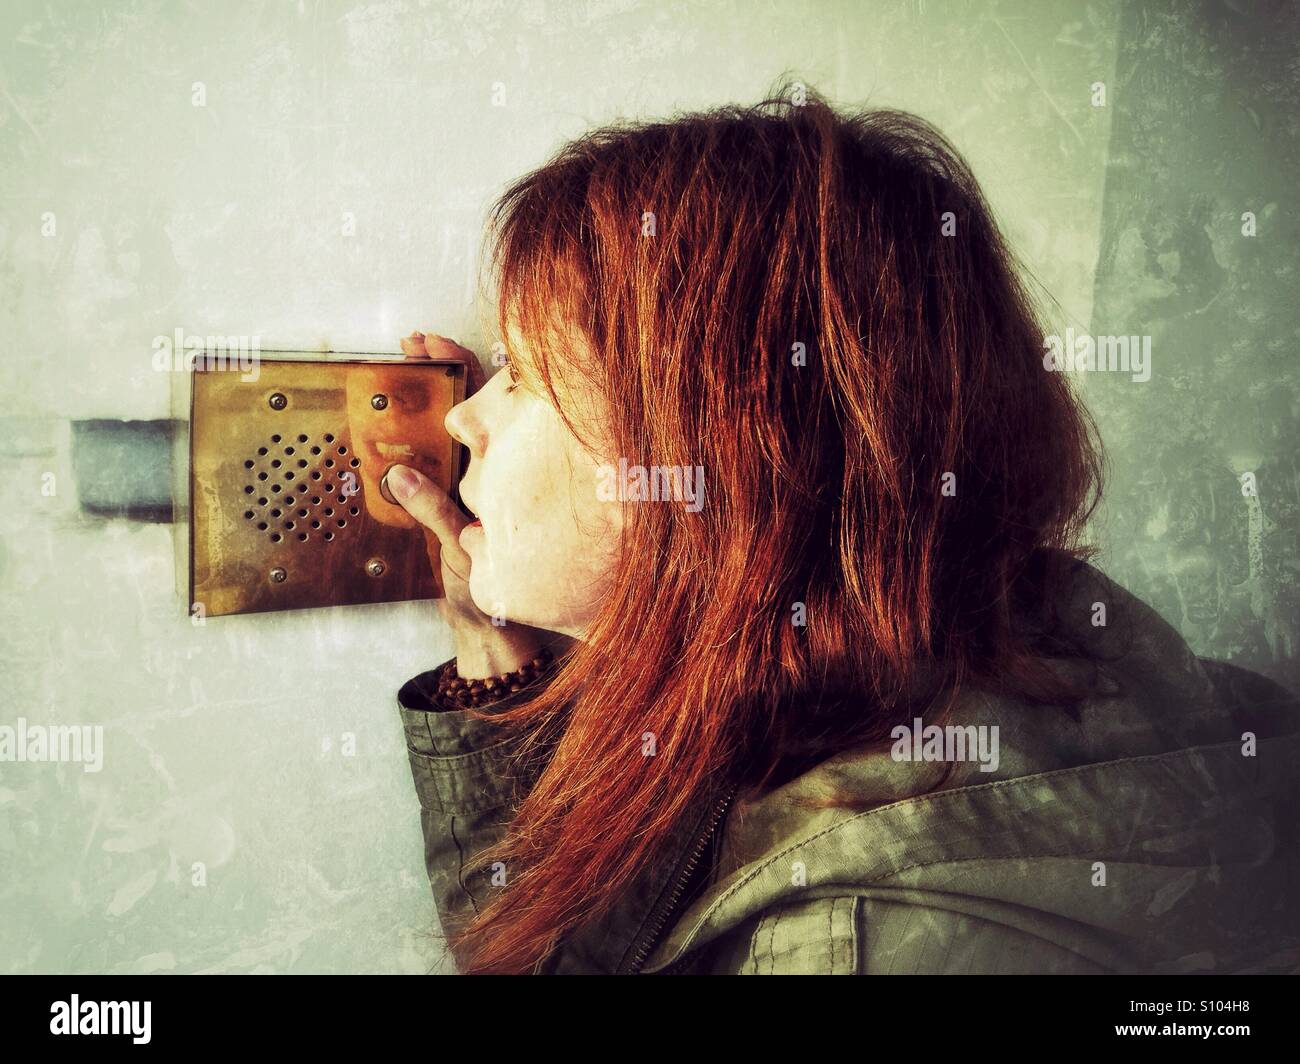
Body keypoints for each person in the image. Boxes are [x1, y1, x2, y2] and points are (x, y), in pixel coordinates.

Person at [385, 84, 1300, 975]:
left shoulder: (862, 943)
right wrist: (491, 646)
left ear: (726, 458)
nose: (465, 420)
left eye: (526, 374)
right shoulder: (889, 664)